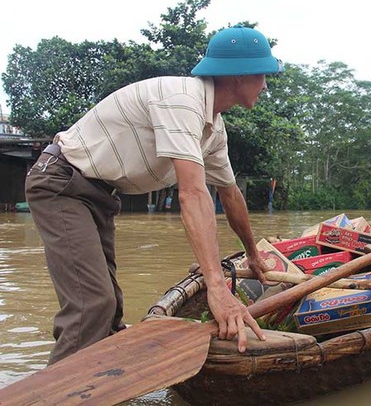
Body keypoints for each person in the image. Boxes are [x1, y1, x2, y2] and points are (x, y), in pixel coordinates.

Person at [25, 25, 281, 364]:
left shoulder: (213, 128)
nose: (265, 85)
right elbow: (192, 193)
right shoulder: (183, 101)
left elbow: (230, 195)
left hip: (98, 195)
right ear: (238, 76)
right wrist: (216, 287)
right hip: (61, 184)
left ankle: (105, 383)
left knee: (110, 308)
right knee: (92, 305)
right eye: (262, 75)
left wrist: (252, 253)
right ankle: (59, 394)